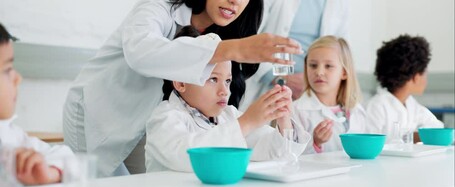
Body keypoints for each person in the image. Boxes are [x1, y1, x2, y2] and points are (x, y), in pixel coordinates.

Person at [62, 0, 303, 177]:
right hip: (99, 114)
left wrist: (281, 122)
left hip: (146, 124)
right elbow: (140, 52)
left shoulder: (222, 34)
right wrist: (232, 49)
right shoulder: (160, 8)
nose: (235, 1)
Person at [145, 25, 310, 172]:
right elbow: (187, 156)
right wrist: (247, 122)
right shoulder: (164, 118)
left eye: (228, 81)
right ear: (181, 82)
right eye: (213, 79)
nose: (224, 91)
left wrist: (283, 119)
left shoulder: (229, 115)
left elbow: (276, 153)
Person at [291, 35, 403, 187]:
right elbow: (289, 162)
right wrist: (314, 143)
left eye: (328, 66)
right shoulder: (298, 110)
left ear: (344, 72)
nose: (319, 72)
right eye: (313, 65)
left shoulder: (356, 111)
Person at [366, 34, 455, 187]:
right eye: (424, 71)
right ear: (414, 75)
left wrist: (418, 137)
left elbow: (440, 133)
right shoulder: (378, 106)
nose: (426, 77)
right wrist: (415, 138)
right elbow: (373, 150)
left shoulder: (414, 107)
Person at [0, 23, 74, 186]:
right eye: (7, 69)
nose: (17, 78)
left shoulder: (11, 137)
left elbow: (68, 158)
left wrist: (49, 173)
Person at [240, 0, 349, 111]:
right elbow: (247, 39)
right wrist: (280, 78)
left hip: (313, 92)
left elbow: (340, 51)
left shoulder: (339, 3)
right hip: (266, 82)